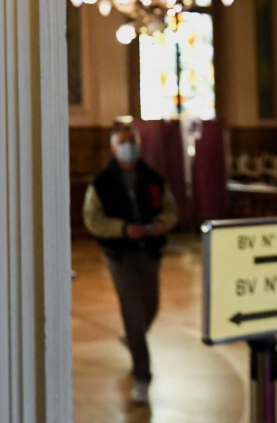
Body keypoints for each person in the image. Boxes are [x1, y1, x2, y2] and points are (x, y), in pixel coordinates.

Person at [82, 123, 178, 406]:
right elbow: (93, 220)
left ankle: (132, 338)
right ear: (113, 147)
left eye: (132, 141)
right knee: (133, 311)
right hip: (119, 254)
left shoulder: (154, 178)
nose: (128, 146)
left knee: (151, 307)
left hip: (149, 251)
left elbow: (170, 210)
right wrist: (123, 229)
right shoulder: (101, 183)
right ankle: (142, 377)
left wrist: (162, 224)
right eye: (123, 141)